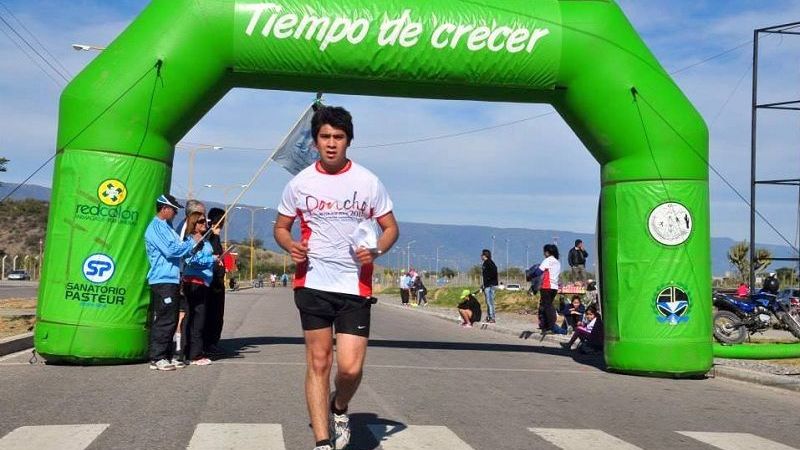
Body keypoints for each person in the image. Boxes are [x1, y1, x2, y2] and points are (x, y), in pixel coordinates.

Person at [273, 105, 399, 450]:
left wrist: (376, 251)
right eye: (325, 137)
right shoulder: (300, 184)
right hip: (312, 283)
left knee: (350, 369)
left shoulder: (368, 182)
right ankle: (323, 441)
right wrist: (290, 245)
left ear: (348, 141)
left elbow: (390, 228)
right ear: (315, 141)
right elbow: (281, 228)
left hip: (354, 286)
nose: (331, 143)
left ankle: (339, 406)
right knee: (318, 362)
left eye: (338, 137)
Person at [144, 194, 200, 371]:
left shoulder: (167, 228)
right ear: (164, 209)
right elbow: (170, 250)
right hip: (162, 279)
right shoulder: (156, 228)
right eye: (174, 210)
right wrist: (191, 242)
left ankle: (167, 355)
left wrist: (191, 248)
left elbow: (179, 250)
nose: (175, 213)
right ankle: (157, 357)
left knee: (172, 317)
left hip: (173, 279)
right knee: (164, 319)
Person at [181, 211, 216, 366]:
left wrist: (216, 260)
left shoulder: (206, 241)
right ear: (193, 224)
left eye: (205, 221)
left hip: (204, 282)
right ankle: (193, 354)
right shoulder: (189, 241)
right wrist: (210, 259)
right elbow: (191, 259)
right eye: (201, 221)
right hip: (193, 282)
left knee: (198, 319)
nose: (205, 224)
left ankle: (191, 352)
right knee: (194, 319)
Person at [174, 199, 206, 359]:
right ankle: (181, 350)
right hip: (184, 277)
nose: (204, 220)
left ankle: (183, 350)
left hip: (189, 278)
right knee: (184, 315)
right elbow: (182, 253)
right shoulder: (184, 229)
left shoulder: (193, 231)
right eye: (200, 217)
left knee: (189, 315)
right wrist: (195, 246)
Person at [203, 207, 227, 356]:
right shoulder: (208, 236)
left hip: (218, 281)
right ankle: (207, 343)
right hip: (209, 281)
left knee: (218, 314)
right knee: (209, 313)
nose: (222, 225)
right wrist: (212, 232)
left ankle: (213, 341)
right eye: (221, 221)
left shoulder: (216, 237)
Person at [527, 244, 561, 335]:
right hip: (554, 287)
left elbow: (539, 271)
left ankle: (550, 327)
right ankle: (546, 326)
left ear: (547, 252)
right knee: (547, 306)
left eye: (544, 252)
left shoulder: (548, 260)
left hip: (546, 286)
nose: (544, 253)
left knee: (547, 307)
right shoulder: (557, 262)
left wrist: (530, 275)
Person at [481, 249, 499, 323]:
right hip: (487, 284)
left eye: (482, 255)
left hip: (490, 285)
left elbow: (494, 271)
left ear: (485, 255)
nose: (481, 256)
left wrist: (489, 280)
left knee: (490, 302)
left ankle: (492, 317)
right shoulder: (485, 263)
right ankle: (489, 316)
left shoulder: (489, 263)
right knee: (488, 302)